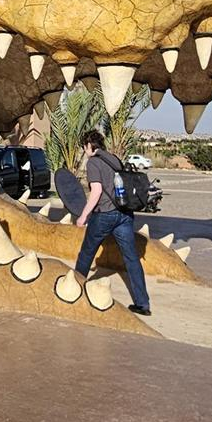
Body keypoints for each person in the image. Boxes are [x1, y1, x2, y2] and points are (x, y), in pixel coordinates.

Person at [74, 129, 151, 315]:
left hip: (104, 215)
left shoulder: (93, 162)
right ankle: (143, 304)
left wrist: (83, 215)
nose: (84, 151)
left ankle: (74, 291)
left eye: (84, 147)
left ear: (89, 145)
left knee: (86, 253)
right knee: (131, 258)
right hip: (124, 214)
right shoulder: (114, 159)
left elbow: (96, 191)